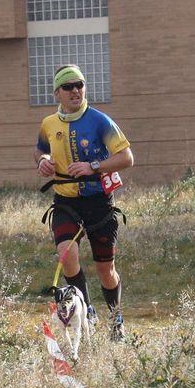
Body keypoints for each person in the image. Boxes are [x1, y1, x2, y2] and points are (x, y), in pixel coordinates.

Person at [35, 65, 135, 341]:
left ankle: (116, 319)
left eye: (79, 85)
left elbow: (127, 157)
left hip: (99, 203)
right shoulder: (48, 124)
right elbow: (40, 150)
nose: (75, 90)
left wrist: (93, 166)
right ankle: (89, 311)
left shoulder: (100, 121)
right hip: (65, 202)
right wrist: (43, 161)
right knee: (67, 255)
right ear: (57, 93)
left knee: (106, 270)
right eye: (68, 87)